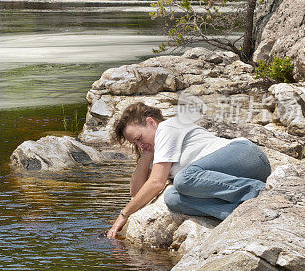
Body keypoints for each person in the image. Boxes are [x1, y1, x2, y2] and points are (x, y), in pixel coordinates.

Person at [105, 102, 271, 239]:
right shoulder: (159, 152)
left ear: (151, 122)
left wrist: (124, 215)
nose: (139, 145)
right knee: (172, 198)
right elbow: (136, 192)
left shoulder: (166, 128)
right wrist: (146, 154)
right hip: (231, 176)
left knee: (183, 179)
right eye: (135, 144)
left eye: (139, 138)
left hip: (247, 156)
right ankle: (238, 212)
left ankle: (259, 192)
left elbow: (156, 183)